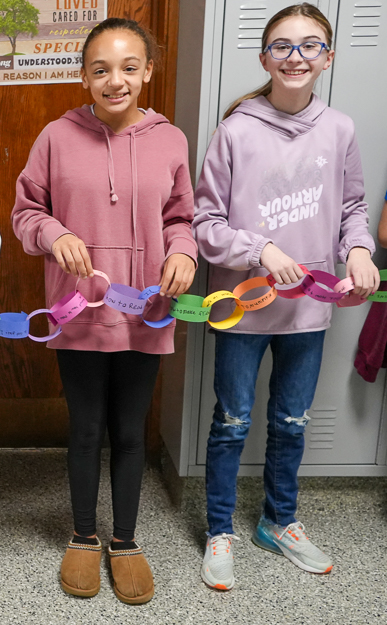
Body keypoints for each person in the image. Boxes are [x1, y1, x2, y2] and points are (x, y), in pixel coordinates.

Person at [193, 2, 379, 591]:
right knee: (231, 420)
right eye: (282, 45)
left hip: (308, 312)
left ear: (328, 56)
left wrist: (358, 252)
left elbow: (352, 208)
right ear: (264, 56)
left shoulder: (340, 128)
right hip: (242, 310)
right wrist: (261, 249)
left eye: (309, 45)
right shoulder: (235, 130)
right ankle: (219, 527)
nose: (295, 57)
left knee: (292, 421)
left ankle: (279, 520)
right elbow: (205, 223)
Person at [12, 18, 197, 605]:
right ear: (84, 75)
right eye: (100, 69)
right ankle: (83, 536)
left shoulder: (171, 140)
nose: (114, 81)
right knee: (87, 428)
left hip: (146, 308)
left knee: (130, 430)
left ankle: (125, 541)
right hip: (80, 308)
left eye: (128, 67)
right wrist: (52, 232)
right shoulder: (55, 137)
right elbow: (25, 213)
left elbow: (181, 219)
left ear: (147, 70)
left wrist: (185, 254)